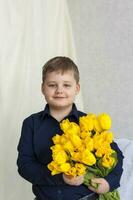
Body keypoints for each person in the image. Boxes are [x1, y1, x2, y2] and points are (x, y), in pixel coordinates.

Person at [17, 56, 124, 200]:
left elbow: (117, 156)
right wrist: (60, 177)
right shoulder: (31, 124)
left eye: (66, 85)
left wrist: (109, 183)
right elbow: (25, 166)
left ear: (77, 88)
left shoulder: (89, 123)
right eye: (52, 85)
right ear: (43, 88)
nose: (59, 90)